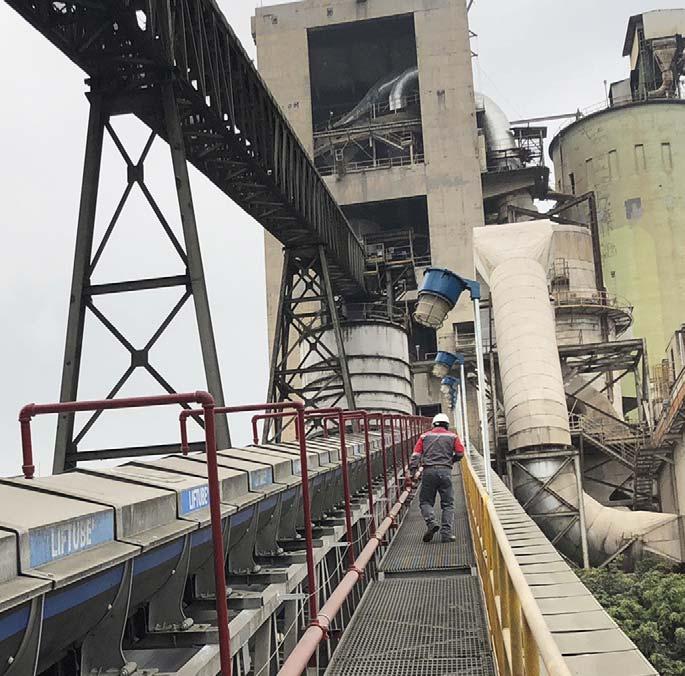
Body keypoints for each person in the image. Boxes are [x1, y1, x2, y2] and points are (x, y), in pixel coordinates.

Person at [409, 413, 465, 543]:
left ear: (433, 424)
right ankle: (446, 534)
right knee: (448, 504)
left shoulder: (424, 437)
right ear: (447, 425)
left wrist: (413, 471)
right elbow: (460, 453)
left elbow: (416, 455)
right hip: (445, 471)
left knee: (425, 501)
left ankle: (431, 522)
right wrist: (451, 460)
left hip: (428, 472)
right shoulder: (453, 436)